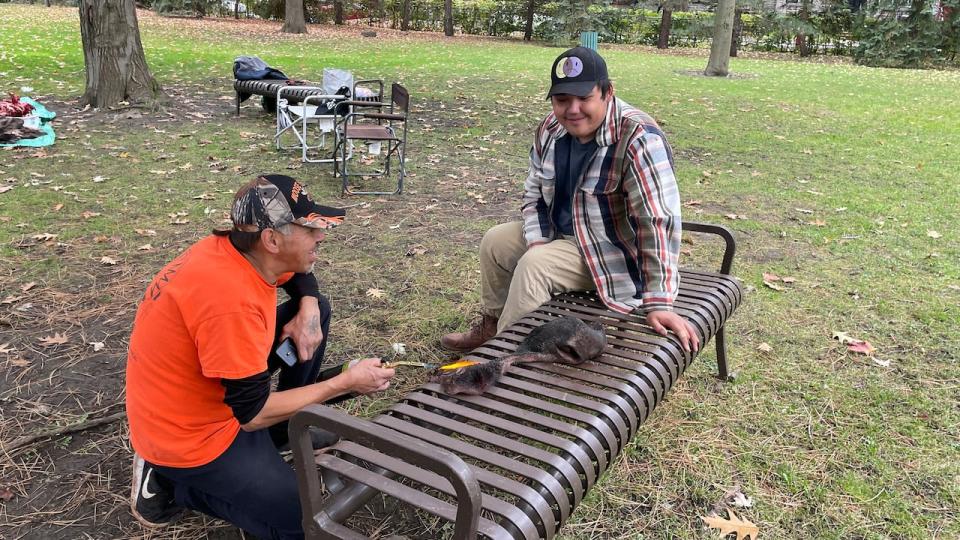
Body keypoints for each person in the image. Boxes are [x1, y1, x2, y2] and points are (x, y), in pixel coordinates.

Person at [125, 174, 396, 538]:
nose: (322, 237)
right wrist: (344, 383)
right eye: (311, 229)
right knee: (304, 521)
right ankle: (171, 483)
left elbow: (300, 277)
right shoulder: (229, 304)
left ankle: (285, 428)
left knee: (317, 310)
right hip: (192, 437)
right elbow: (252, 414)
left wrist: (310, 307)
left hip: (207, 388)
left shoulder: (239, 250)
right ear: (271, 239)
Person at [441, 47, 700, 354]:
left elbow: (658, 220)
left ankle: (500, 360)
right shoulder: (550, 130)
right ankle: (492, 327)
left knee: (536, 266)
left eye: (584, 98)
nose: (572, 109)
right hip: (563, 236)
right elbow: (533, 193)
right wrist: (538, 240)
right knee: (495, 241)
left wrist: (659, 300)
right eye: (562, 100)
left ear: (607, 93)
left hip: (612, 252)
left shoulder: (638, 139)